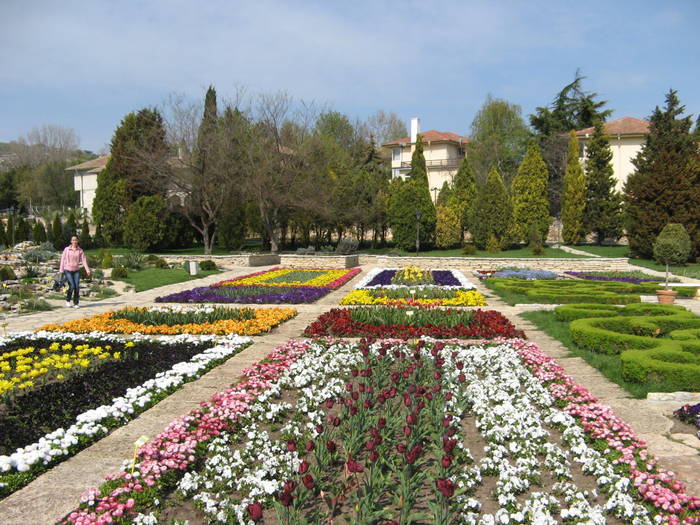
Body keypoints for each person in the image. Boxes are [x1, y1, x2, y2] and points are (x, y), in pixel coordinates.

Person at [59, 235, 91, 308]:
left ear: (77, 241)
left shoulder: (80, 250)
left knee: (76, 287)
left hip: (76, 271)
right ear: (71, 241)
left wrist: (87, 270)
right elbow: (62, 259)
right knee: (72, 286)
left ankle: (76, 303)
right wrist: (61, 270)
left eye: (75, 240)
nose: (74, 241)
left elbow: (84, 260)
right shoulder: (66, 249)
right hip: (67, 270)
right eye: (73, 240)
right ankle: (68, 300)